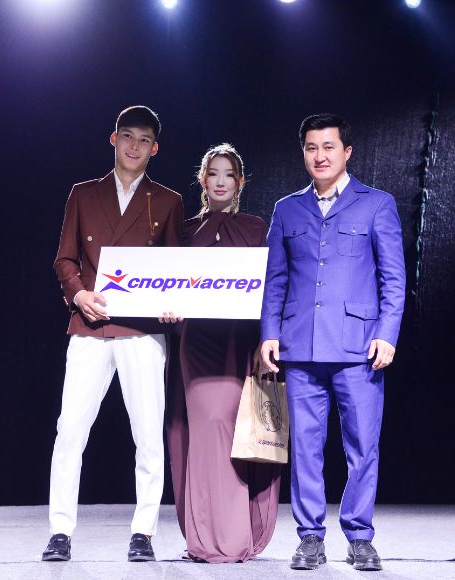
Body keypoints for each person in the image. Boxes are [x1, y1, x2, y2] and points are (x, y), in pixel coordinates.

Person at [260, 114, 405, 572]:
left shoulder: (376, 204)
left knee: (362, 447)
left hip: (359, 349)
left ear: (347, 152)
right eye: (311, 147)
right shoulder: (287, 209)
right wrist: (269, 333)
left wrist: (386, 333)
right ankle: (309, 537)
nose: (319, 156)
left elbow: (393, 278)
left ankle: (360, 536)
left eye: (328, 146)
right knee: (305, 447)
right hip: (301, 347)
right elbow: (275, 280)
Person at [43, 105, 184, 563]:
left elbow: (175, 269)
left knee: (148, 434)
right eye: (127, 136)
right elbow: (65, 259)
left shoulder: (168, 201)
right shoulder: (83, 194)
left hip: (142, 331)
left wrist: (172, 303)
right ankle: (60, 531)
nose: (134, 146)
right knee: (70, 430)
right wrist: (78, 294)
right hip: (90, 326)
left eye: (144, 140)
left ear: (154, 148)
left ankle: (144, 532)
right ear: (113, 138)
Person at [166, 144, 281, 563]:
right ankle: (206, 537)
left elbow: (272, 288)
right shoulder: (184, 232)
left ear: (240, 182)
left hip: (241, 341)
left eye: (228, 174)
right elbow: (166, 283)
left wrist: (266, 341)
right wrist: (168, 307)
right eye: (213, 173)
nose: (220, 181)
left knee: (236, 430)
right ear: (202, 180)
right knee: (207, 427)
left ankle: (236, 533)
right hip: (197, 342)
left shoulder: (255, 229)